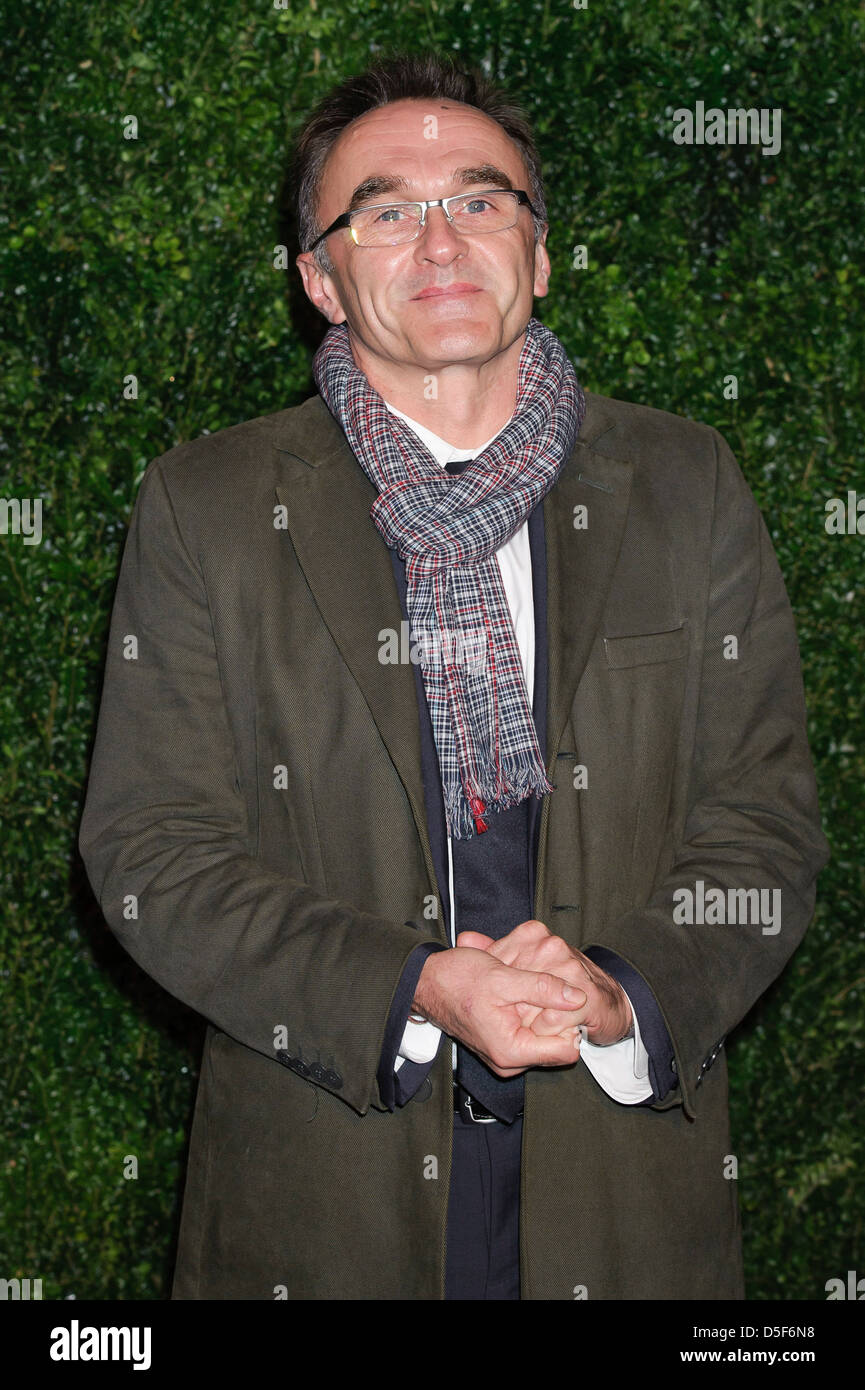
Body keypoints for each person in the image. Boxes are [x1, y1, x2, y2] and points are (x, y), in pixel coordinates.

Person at [78, 50, 829, 1300]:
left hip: (623, 1195)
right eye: (386, 211)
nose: (440, 241)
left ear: (537, 255)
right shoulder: (205, 507)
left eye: (480, 202)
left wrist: (618, 990)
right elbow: (154, 850)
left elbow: (763, 823)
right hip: (325, 1194)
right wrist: (414, 986)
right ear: (321, 277)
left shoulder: (687, 484)